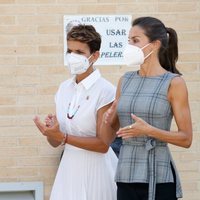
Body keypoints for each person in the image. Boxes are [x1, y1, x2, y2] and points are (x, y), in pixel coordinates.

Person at [101, 16, 193, 200]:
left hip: (158, 174)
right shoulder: (125, 80)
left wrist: (149, 130)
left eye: (135, 41)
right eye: (129, 41)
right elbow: (110, 133)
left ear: (154, 44)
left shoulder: (174, 83)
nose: (130, 46)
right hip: (126, 173)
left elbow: (186, 139)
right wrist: (109, 118)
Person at [33, 24, 118, 200]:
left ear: (94, 56)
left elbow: (103, 144)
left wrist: (64, 137)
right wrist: (52, 132)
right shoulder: (64, 88)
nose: (73, 57)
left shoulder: (106, 91)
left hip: (97, 172)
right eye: (70, 51)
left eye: (79, 52)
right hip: (68, 170)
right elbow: (55, 143)